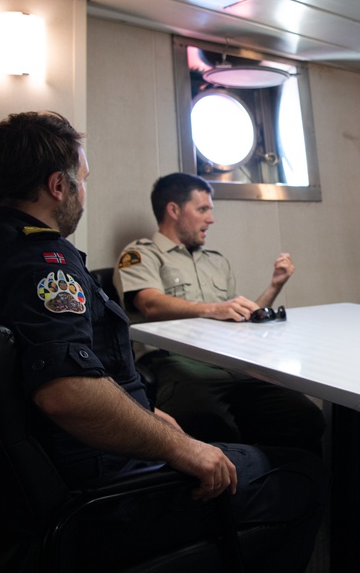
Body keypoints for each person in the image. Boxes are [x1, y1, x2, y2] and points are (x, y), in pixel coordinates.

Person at [0, 111, 324, 572]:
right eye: (82, 180)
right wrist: (183, 449)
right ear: (58, 187)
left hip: (25, 489)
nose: (84, 192)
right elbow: (67, 393)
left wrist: (148, 414)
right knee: (300, 472)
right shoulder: (44, 263)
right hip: (97, 488)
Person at [115, 173, 325, 455]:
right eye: (203, 209)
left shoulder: (215, 261)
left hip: (230, 361)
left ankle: (284, 489)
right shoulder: (142, 254)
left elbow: (238, 317)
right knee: (212, 428)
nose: (211, 219)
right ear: (174, 210)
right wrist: (215, 309)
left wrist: (275, 285)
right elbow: (149, 303)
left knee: (305, 417)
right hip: (179, 362)